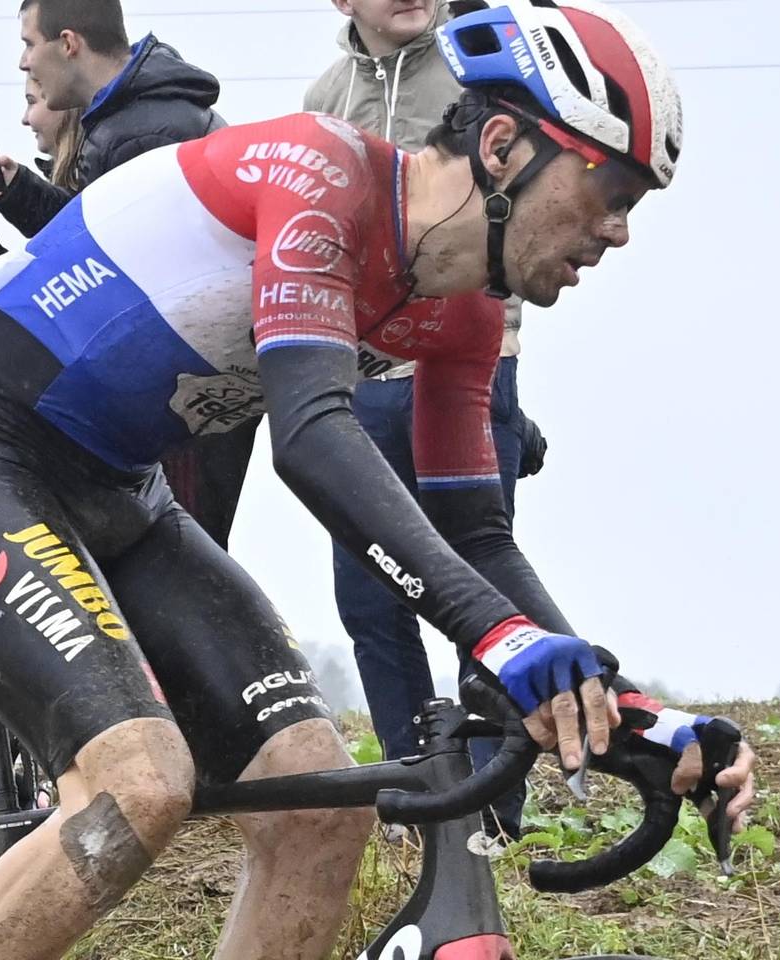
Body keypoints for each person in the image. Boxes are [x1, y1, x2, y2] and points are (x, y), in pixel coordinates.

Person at [0, 3, 754, 958]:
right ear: (502, 147)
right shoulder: (320, 171)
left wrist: (625, 707)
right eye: (611, 190)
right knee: (140, 783)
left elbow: (475, 535)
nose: (618, 231)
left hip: (119, 493)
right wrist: (503, 640)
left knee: (323, 813)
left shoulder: (464, 316)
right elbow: (311, 437)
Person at [304, 0, 548, 839]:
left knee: (478, 589)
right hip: (362, 376)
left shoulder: (487, 71)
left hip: (475, 361)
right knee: (370, 599)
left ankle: (494, 807)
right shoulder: (324, 96)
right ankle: (421, 797)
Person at [0, 0, 251, 549]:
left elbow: (114, 269)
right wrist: (18, 193)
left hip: (185, 391)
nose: (25, 63)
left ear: (69, 43)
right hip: (194, 384)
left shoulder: (141, 131)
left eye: (29, 44)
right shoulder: (132, 118)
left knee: (172, 559)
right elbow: (103, 240)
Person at [0, 76, 84, 274]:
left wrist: (18, 187)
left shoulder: (99, 172)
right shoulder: (77, 178)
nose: (25, 119)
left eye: (31, 102)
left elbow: (77, 238)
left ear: (64, 103)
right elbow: (50, 279)